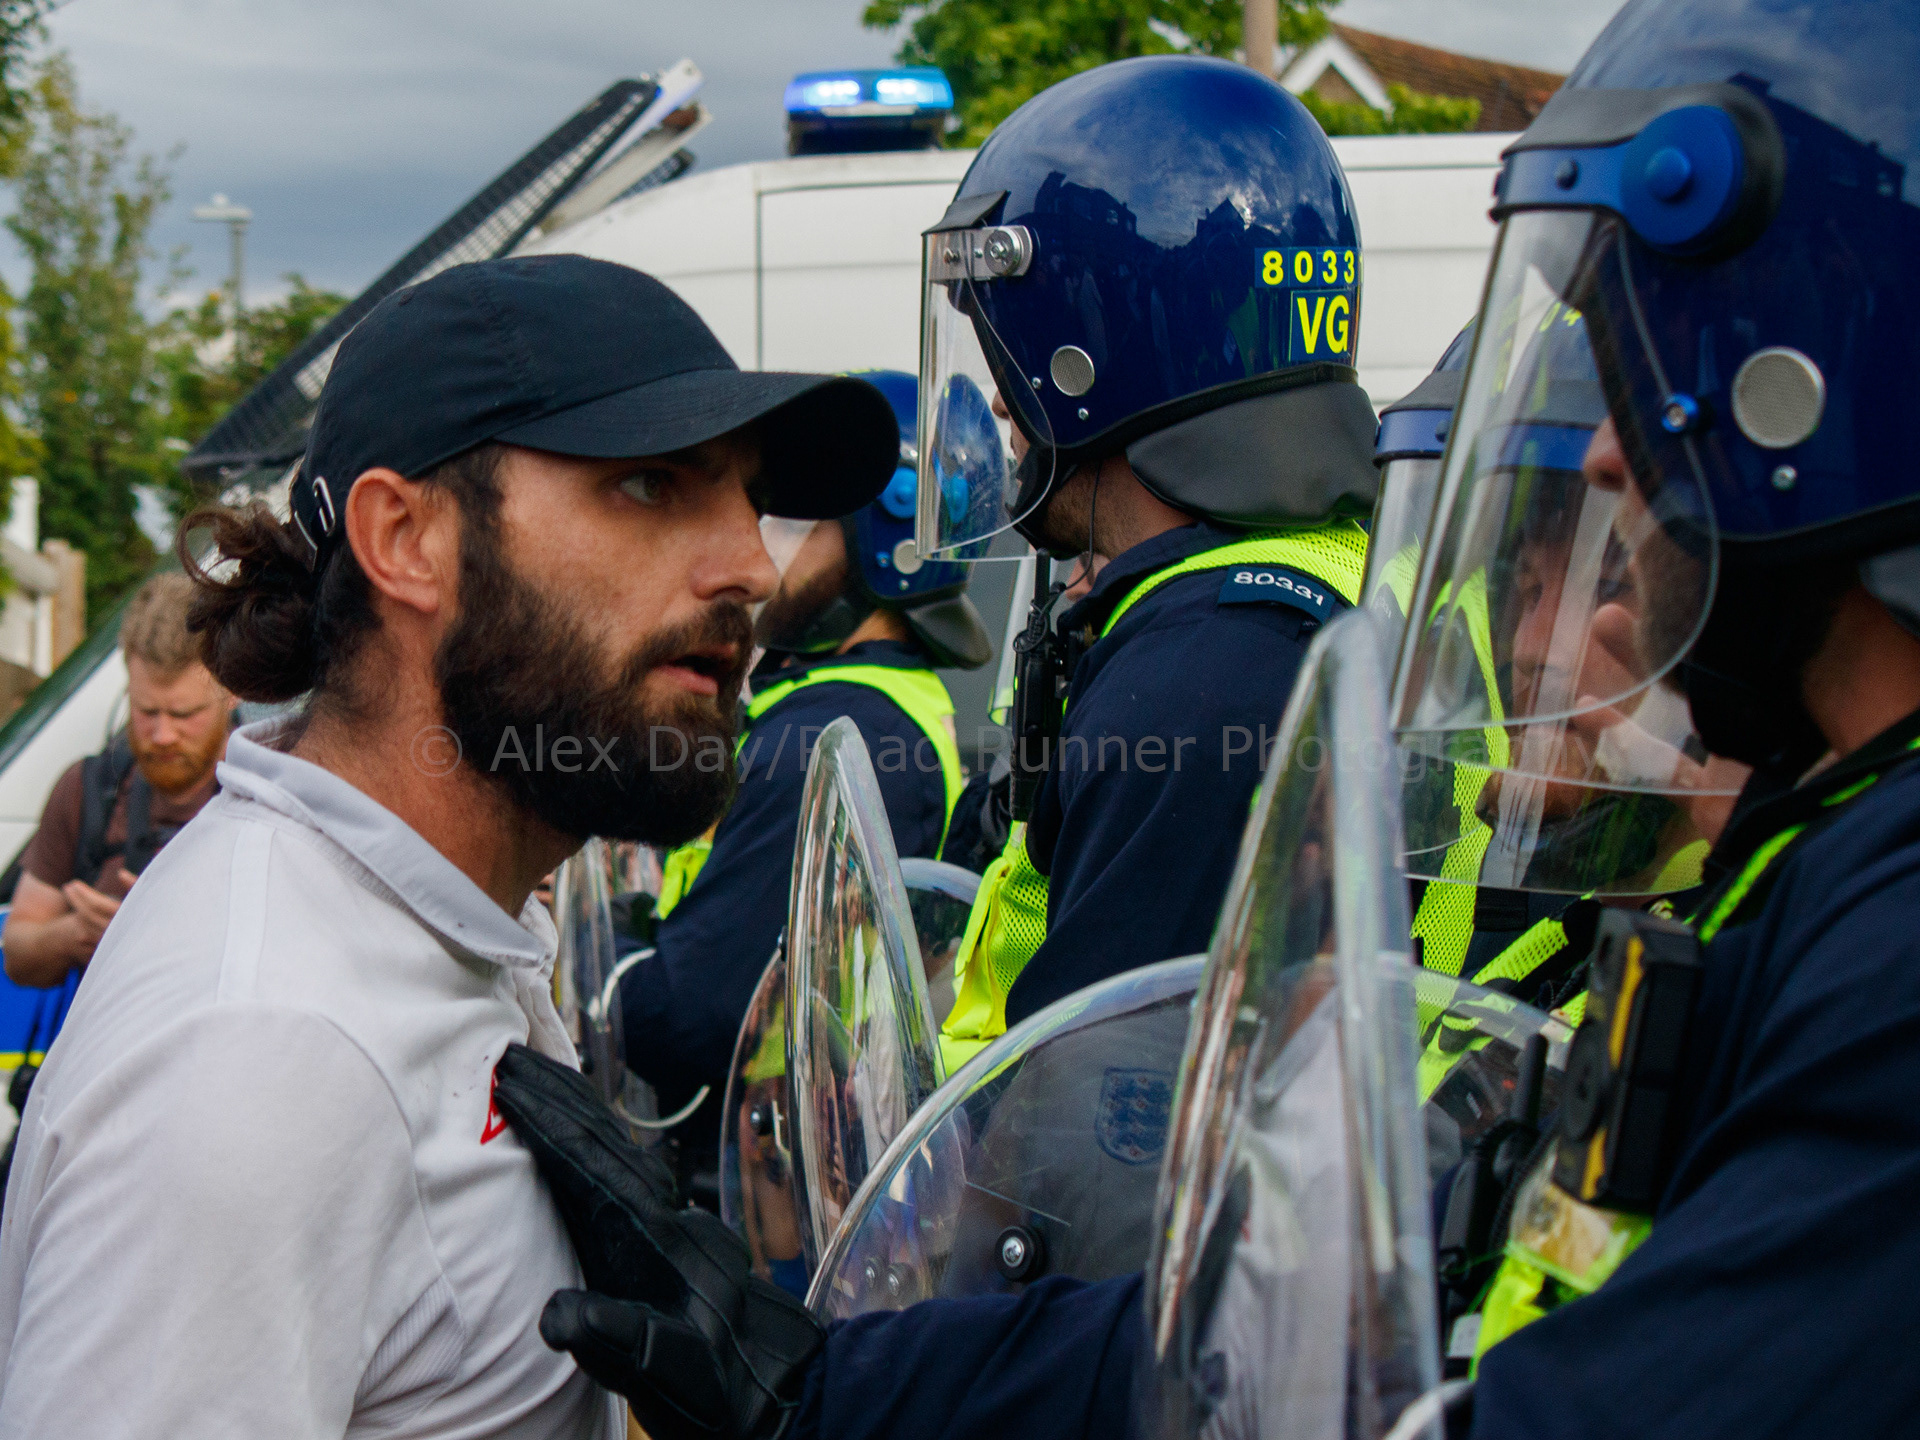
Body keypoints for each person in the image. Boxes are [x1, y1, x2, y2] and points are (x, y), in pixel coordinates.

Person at [498, 6, 1920, 1437]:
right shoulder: (1804, 859)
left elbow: (1117, 1197)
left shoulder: (1203, 665)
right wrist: (827, 1389)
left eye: (1651, 376)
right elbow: (1307, 1301)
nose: (1611, 457)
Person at [0, 253, 900, 1436]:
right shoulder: (266, 1051)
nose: (753, 565)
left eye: (749, 495)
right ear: (405, 539)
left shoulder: (427, 923)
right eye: (650, 483)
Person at [922, 54, 1381, 1066]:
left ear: (1092, 351)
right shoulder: (1319, 576)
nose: (998, 400)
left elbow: (1087, 1117)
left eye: (1010, 355)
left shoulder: (1200, 674)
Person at [619, 368, 992, 1203]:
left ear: (886, 545)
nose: (758, 559)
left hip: (759, 1188)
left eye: (791, 523)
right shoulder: (883, 705)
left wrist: (597, 965)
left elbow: (690, 1019)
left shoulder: (830, 735)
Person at [2, 573, 232, 989]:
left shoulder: (272, 791)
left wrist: (165, 933)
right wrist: (76, 933)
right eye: (146, 711)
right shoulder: (89, 789)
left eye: (184, 714)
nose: (163, 735)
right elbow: (18, 951)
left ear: (233, 693)